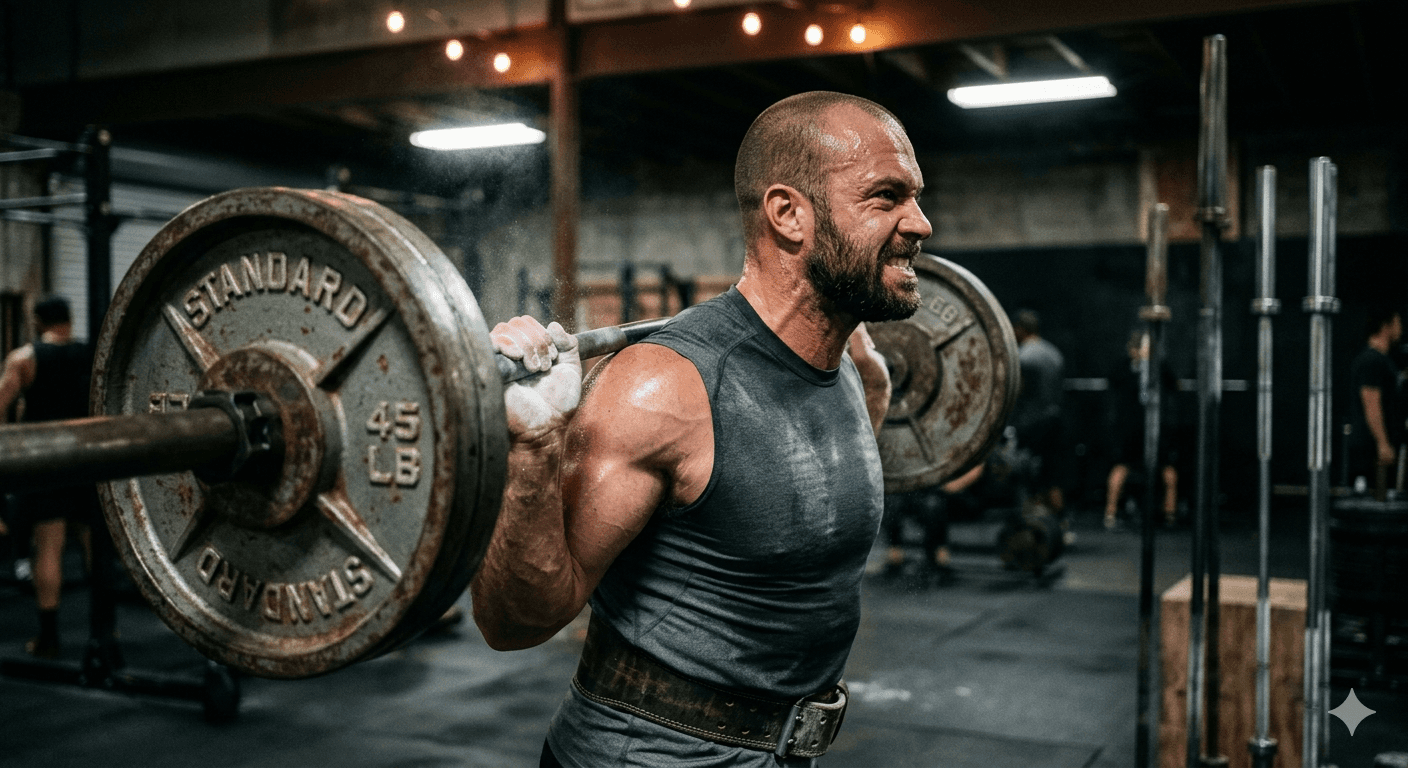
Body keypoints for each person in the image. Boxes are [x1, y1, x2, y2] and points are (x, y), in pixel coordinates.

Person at [470, 91, 930, 766]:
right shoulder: (664, 386)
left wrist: (876, 395)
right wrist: (535, 446)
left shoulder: (850, 372)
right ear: (789, 214)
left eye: (915, 196)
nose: (921, 222)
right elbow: (513, 622)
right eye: (885, 197)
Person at [0, 296, 98, 658]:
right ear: (69, 320)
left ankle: (49, 637)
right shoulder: (93, 354)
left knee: (50, 545)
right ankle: (107, 632)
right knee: (94, 546)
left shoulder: (24, 359)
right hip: (90, 456)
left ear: (39, 321)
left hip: (47, 460)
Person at [1103, 330, 1180, 529]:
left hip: (1154, 427)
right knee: (1122, 467)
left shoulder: (1158, 367)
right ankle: (1110, 513)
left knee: (1166, 468)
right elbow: (1111, 380)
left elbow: (1173, 384)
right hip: (1131, 428)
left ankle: (1169, 512)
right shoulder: (1125, 368)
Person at [1009, 309, 1067, 523]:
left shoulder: (1024, 356)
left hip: (1032, 423)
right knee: (1052, 475)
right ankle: (1060, 524)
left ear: (1020, 329)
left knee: (1025, 472)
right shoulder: (1054, 354)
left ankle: (1030, 521)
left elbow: (1018, 393)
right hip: (1055, 419)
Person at [1346, 306, 1403, 493]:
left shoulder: (1382, 361)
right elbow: (1371, 403)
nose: (1400, 328)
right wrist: (1382, 443)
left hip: (1377, 448)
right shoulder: (1371, 361)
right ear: (1385, 326)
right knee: (1369, 505)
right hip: (1369, 450)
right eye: (1397, 323)